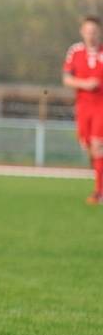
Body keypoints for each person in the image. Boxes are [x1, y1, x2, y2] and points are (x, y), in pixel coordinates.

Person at [63, 15, 103, 205]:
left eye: (94, 32)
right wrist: (85, 84)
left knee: (98, 145)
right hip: (83, 107)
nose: (91, 35)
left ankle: (98, 191)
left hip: (101, 106)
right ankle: (99, 174)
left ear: (99, 33)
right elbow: (66, 79)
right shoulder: (75, 52)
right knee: (88, 147)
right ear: (82, 32)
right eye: (87, 31)